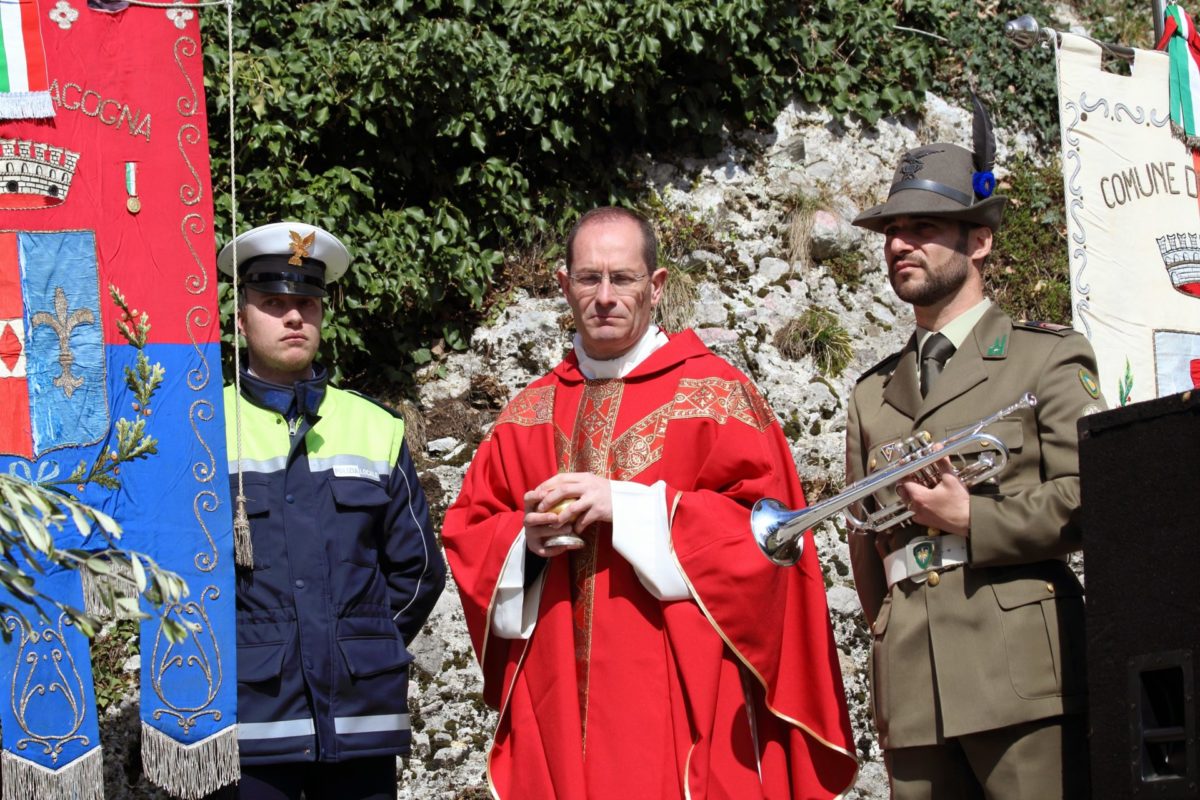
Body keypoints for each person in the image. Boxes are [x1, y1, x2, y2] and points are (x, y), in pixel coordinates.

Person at [442, 206, 857, 798]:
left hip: (679, 692)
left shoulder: (718, 397)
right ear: (563, 285)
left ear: (656, 286)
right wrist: (523, 544)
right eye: (589, 278)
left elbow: (770, 540)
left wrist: (631, 507)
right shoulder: (526, 415)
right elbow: (469, 532)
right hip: (557, 695)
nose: (605, 297)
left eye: (623, 278)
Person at [846, 115, 1104, 799]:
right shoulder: (870, 393)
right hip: (912, 684)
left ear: (979, 240)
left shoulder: (1045, 356)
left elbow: (1093, 495)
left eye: (924, 227)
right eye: (892, 231)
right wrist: (886, 638)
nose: (899, 244)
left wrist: (972, 518)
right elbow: (863, 541)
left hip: (1020, 673)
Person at [215, 223, 445, 800]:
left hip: (360, 721)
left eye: (308, 304)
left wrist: (364, 643)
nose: (294, 317)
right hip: (249, 719)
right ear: (241, 320)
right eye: (274, 303)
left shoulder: (376, 426)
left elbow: (418, 568)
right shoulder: (203, 427)